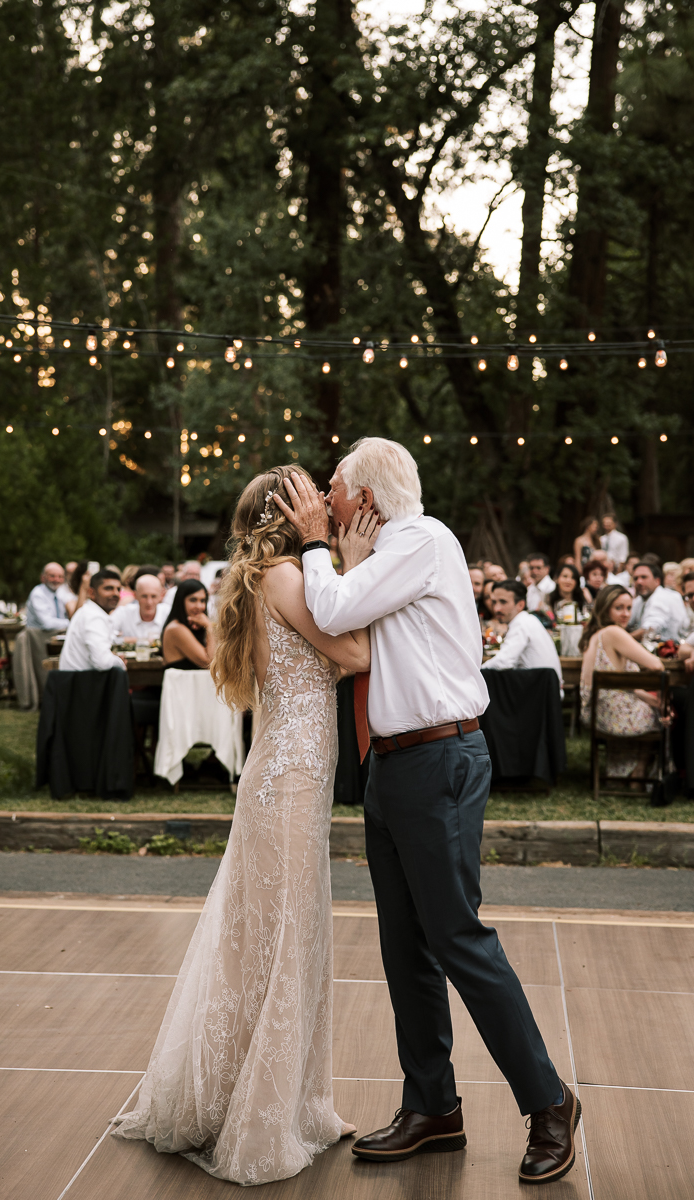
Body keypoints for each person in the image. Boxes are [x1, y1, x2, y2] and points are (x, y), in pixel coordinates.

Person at [276, 439, 578, 1186]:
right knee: (405, 945)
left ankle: (549, 1103)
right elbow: (353, 622)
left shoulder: (422, 538)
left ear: (368, 500)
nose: (325, 501)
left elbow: (334, 606)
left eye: (335, 490)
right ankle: (433, 1105)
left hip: (439, 759)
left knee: (458, 938)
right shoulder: (388, 555)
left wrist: (317, 545)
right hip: (395, 763)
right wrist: (336, 553)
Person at [112, 465, 373, 1184]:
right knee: (284, 935)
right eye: (311, 491)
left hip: (285, 779)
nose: (325, 496)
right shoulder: (289, 578)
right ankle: (262, 1116)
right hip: (288, 783)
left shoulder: (266, 578)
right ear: (288, 511)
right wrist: (358, 570)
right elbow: (354, 654)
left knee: (270, 936)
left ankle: (281, 1099)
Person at [579, 584, 668, 784]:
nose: (625, 614)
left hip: (596, 714)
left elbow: (621, 685)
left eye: (629, 608)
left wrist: (651, 699)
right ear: (605, 608)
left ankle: (628, 772)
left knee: (655, 706)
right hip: (615, 715)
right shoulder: (613, 633)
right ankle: (640, 771)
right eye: (619, 608)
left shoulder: (595, 634)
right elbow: (656, 665)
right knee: (665, 716)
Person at [481, 580, 564, 692]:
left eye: (503, 602)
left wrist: (477, 672)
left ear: (520, 604)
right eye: (494, 602)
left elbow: (504, 661)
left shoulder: (521, 623)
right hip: (544, 693)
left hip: (540, 697)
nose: (497, 609)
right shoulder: (528, 620)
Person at [58, 569, 126, 671]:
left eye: (118, 589)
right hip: (80, 682)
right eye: (108, 588)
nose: (115, 593)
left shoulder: (88, 611)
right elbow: (103, 663)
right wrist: (120, 662)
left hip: (77, 680)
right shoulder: (94, 616)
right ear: (92, 592)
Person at [160, 579, 215, 669]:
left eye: (202, 601)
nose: (199, 606)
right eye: (193, 600)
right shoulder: (176, 629)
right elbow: (210, 662)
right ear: (181, 601)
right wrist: (209, 627)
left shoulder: (191, 626)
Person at [628, 560, 688, 643]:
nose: (639, 581)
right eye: (635, 578)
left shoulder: (662, 596)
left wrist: (620, 638)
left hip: (671, 652)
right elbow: (628, 621)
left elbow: (650, 629)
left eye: (644, 577)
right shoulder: (640, 599)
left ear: (657, 581)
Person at [111, 574, 166, 642]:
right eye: (144, 596)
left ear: (161, 596)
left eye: (153, 596)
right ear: (135, 595)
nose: (149, 602)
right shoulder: (123, 612)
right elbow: (105, 635)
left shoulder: (169, 614)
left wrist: (126, 640)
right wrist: (142, 641)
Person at [25, 563, 70, 631]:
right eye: (52, 576)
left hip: (56, 634)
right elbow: (47, 624)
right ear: (43, 578)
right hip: (38, 636)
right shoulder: (38, 594)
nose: (57, 580)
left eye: (60, 576)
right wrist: (72, 623)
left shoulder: (61, 592)